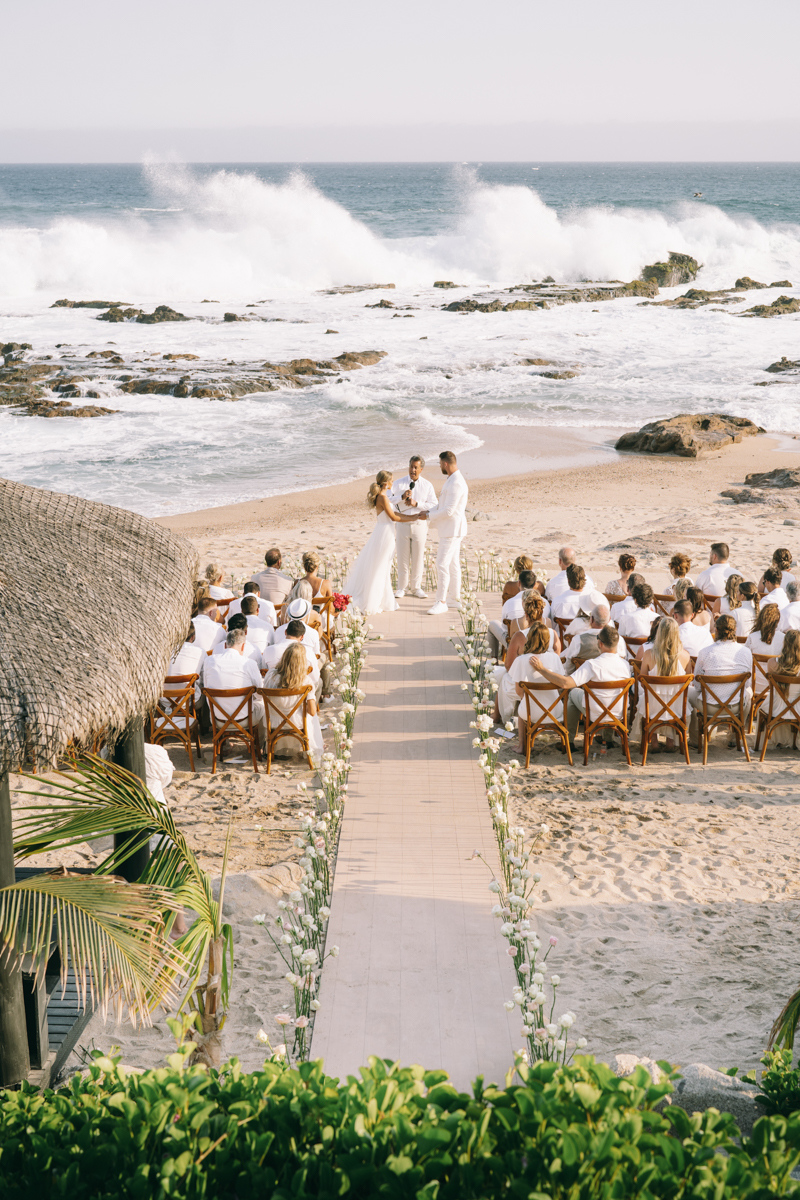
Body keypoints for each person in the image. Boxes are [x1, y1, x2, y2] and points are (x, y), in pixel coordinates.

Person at [530, 625, 631, 750]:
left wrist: (542, 669)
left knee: (572, 693)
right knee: (611, 695)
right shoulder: (625, 665)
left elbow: (565, 683)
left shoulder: (592, 665)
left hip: (595, 713)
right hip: (619, 713)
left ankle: (569, 742)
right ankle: (608, 739)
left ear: (599, 643)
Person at [344, 469, 423, 614]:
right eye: (392, 480)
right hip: (385, 533)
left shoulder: (383, 497)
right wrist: (412, 519)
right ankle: (375, 601)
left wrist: (413, 517)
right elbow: (393, 517)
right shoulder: (383, 498)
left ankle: (383, 599)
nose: (393, 482)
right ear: (386, 483)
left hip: (384, 531)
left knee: (384, 566)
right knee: (382, 567)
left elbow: (394, 513)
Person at [421, 451, 469, 616]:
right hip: (452, 529)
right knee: (453, 565)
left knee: (441, 563)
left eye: (440, 463)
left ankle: (441, 602)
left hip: (452, 530)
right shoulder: (452, 479)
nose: (440, 466)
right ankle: (454, 599)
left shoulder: (456, 482)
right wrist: (426, 511)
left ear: (445, 464)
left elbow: (448, 511)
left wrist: (427, 515)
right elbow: (442, 506)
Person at [203, 626, 267, 748]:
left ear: (225, 645)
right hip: (244, 719)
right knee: (263, 702)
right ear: (243, 646)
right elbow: (259, 694)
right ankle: (258, 747)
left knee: (218, 700)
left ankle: (224, 745)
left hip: (217, 719)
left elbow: (207, 689)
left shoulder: (209, 661)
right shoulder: (249, 663)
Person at [263, 642, 324, 766]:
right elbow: (312, 711)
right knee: (313, 715)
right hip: (296, 723)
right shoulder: (305, 681)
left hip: (273, 722)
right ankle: (311, 748)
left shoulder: (270, 675)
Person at [637, 617, 692, 752]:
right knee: (675, 697)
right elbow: (688, 683)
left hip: (653, 707)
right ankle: (670, 743)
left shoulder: (649, 654)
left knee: (647, 698)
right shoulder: (685, 656)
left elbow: (642, 681)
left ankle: (654, 743)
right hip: (677, 707)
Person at [509, 623, 564, 750]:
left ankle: (522, 747)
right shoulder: (555, 658)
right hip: (555, 711)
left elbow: (519, 692)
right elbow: (560, 686)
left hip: (531, 712)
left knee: (522, 706)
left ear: (529, 638)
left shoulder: (521, 660)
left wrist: (530, 702)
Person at [390, 455, 437, 599]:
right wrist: (401, 497)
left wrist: (417, 504)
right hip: (402, 523)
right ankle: (401, 588)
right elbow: (388, 500)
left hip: (419, 524)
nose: (413, 470)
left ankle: (416, 588)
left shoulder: (427, 485)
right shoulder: (398, 484)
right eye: (411, 466)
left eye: (416, 467)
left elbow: (434, 505)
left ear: (421, 469)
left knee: (418, 557)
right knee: (402, 557)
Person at [689, 614, 753, 714]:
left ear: (716, 630)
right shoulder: (746, 652)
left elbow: (697, 686)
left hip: (709, 708)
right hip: (736, 707)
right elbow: (747, 684)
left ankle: (696, 729)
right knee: (750, 691)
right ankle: (740, 726)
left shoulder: (704, 653)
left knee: (687, 692)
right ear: (735, 629)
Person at [487, 569, 546, 659]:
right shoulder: (543, 602)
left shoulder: (509, 602)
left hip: (516, 645)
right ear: (534, 585)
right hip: (542, 643)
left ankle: (493, 660)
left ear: (519, 583)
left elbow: (504, 628)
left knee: (492, 624)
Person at [262, 618, 322, 699]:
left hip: (275, 697)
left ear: (285, 632)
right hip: (299, 696)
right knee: (320, 682)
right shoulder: (308, 652)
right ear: (302, 637)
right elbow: (315, 678)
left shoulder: (268, 650)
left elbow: (264, 674)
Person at [563, 603, 626, 670]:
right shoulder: (618, 640)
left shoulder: (578, 640)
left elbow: (568, 666)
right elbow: (622, 662)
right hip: (611, 679)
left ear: (591, 619)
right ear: (609, 620)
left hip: (582, 679)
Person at [764, 629, 800, 744]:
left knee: (764, 704)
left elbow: (771, 689)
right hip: (798, 710)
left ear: (784, 643)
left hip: (775, 707)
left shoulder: (772, 663)